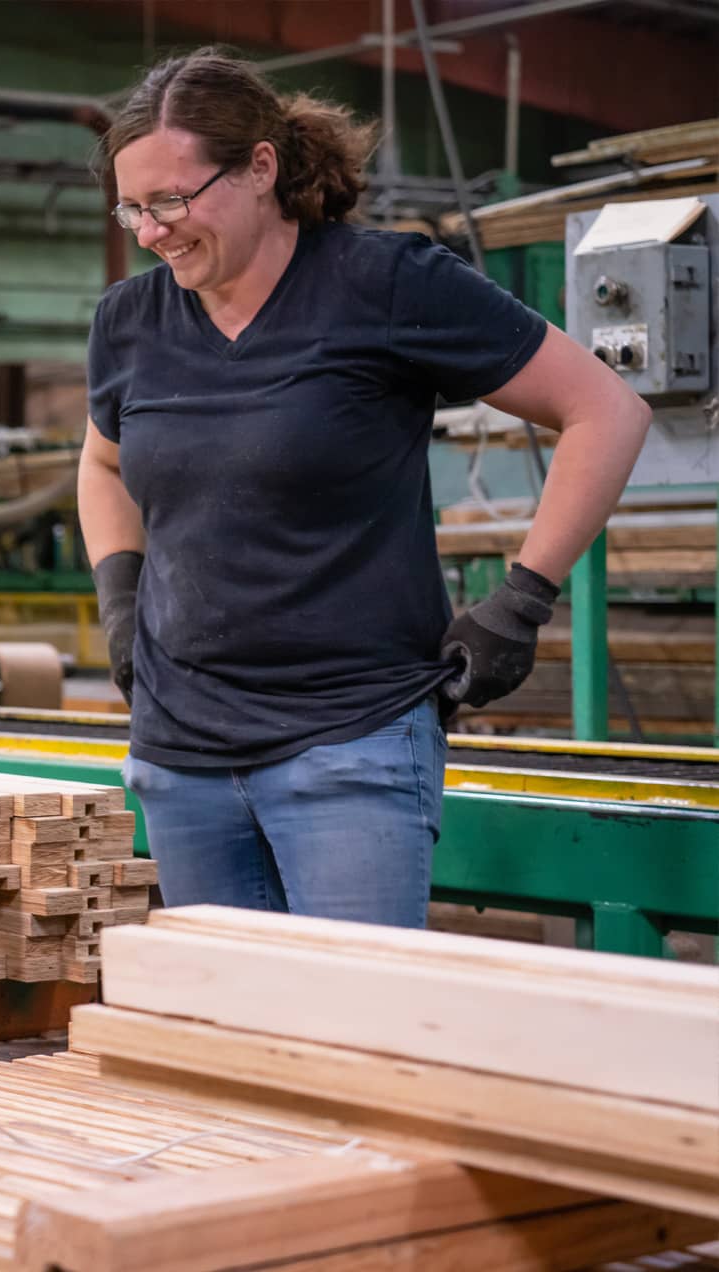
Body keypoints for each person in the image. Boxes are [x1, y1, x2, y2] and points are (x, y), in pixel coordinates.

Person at [79, 48, 650, 927]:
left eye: (173, 201)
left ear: (260, 167)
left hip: (350, 747)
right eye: (133, 208)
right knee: (228, 1044)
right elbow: (105, 462)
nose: (152, 231)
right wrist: (120, 597)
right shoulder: (130, 321)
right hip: (179, 757)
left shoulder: (385, 285)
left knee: (355, 1041)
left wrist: (520, 601)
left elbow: (605, 409)